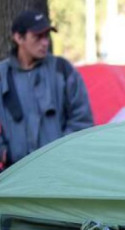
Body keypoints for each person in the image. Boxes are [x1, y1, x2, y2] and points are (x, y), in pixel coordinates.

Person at [0, 10, 93, 168]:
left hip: (59, 171)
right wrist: (3, 151)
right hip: (15, 173)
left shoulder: (62, 70)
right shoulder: (2, 74)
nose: (45, 42)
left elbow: (82, 120)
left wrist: (60, 153)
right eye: (37, 37)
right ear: (18, 38)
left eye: (46, 36)